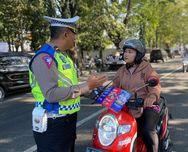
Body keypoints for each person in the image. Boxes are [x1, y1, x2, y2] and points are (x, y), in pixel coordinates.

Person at [29, 16, 107, 152]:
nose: (75, 38)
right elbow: (51, 94)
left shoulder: (62, 56)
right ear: (66, 33)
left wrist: (96, 90)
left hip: (66, 122)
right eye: (74, 34)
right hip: (53, 124)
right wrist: (87, 86)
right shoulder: (45, 57)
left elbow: (71, 87)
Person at [113, 38, 161, 152]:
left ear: (138, 54)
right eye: (125, 51)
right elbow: (114, 87)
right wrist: (104, 94)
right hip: (127, 106)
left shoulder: (147, 68)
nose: (126, 54)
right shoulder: (121, 71)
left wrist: (151, 97)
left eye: (130, 52)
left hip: (146, 106)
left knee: (147, 131)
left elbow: (155, 84)